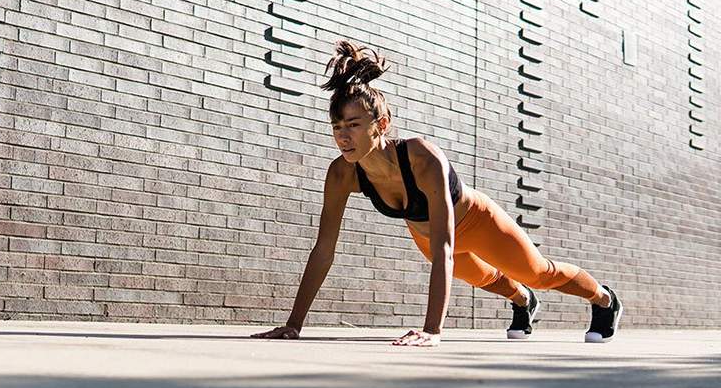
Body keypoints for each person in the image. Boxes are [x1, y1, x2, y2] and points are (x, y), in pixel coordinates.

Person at [252, 40, 623, 347]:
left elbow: (446, 245)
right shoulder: (342, 173)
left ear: (380, 124)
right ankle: (523, 301)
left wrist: (432, 330)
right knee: (487, 279)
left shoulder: (421, 157)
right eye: (336, 126)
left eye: (353, 124)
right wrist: (294, 323)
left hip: (475, 222)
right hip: (426, 236)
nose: (343, 136)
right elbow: (324, 250)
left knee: (539, 272)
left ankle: (604, 299)